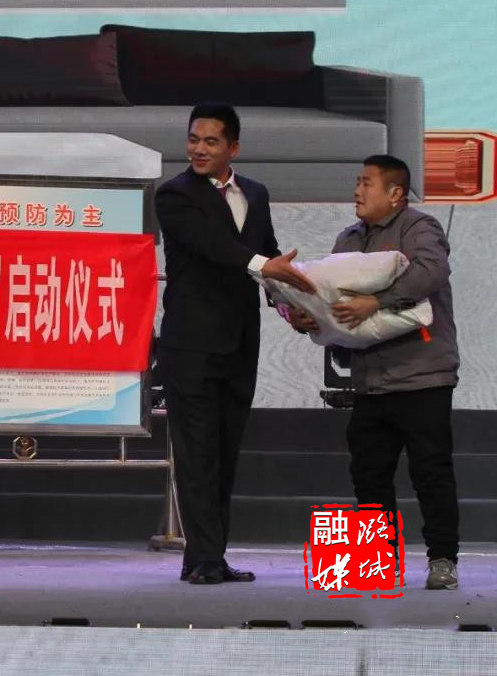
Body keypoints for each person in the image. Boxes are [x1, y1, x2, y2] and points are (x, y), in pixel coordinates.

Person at [156, 102, 315, 585]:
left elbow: (269, 259)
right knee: (197, 453)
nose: (198, 149)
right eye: (193, 140)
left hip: (240, 344)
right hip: (191, 345)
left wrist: (292, 308)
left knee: (224, 453)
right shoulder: (174, 194)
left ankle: (208, 556)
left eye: (210, 141)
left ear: (233, 147)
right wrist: (264, 265)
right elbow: (214, 246)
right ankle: (204, 557)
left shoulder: (256, 194)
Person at [286, 154, 460, 590]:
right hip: (368, 379)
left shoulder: (420, 228)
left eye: (366, 183)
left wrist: (377, 302)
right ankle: (377, 563)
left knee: (431, 472)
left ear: (395, 193)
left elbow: (432, 272)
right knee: (368, 472)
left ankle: (442, 559)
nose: (357, 191)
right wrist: (305, 316)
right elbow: (329, 297)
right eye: (357, 182)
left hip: (422, 375)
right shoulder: (348, 238)